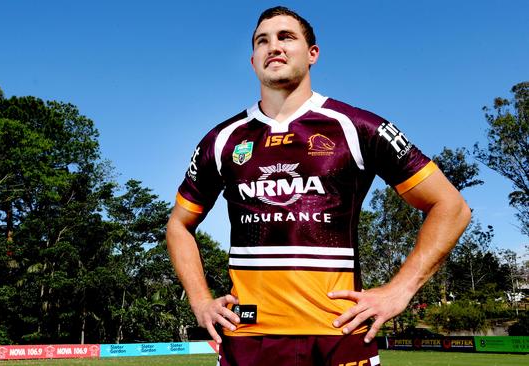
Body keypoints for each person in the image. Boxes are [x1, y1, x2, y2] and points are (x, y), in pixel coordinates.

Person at [166, 6, 471, 366]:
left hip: (338, 335)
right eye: (262, 40)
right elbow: (178, 225)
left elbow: (451, 207)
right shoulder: (223, 140)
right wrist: (201, 301)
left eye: (286, 37)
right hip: (248, 338)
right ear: (252, 61)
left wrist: (398, 291)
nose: (273, 46)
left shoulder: (356, 127)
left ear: (313, 54)